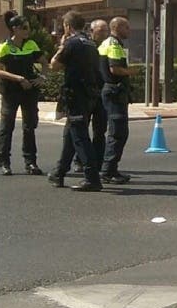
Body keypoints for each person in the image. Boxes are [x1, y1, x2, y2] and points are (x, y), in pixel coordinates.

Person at [47, 10, 104, 191]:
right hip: (90, 94)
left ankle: (92, 177)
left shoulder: (71, 43)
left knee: (79, 136)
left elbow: (54, 66)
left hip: (76, 94)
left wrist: (61, 46)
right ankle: (59, 172)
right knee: (70, 134)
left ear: (67, 26)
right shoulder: (91, 43)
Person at [0, 11, 47, 176]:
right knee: (7, 126)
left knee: (29, 126)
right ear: (15, 29)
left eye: (28, 28)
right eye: (24, 28)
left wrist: (42, 77)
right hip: (11, 92)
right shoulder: (4, 46)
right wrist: (18, 78)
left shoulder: (31, 44)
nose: (27, 31)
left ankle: (30, 162)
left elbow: (45, 62)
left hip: (29, 91)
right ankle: (4, 162)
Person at [72, 18, 110, 175]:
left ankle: (98, 162)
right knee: (81, 129)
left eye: (106, 30)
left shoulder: (108, 46)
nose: (104, 33)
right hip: (87, 93)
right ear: (92, 31)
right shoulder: (86, 45)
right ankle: (79, 160)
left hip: (101, 93)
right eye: (101, 31)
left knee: (100, 131)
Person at [98, 16, 134, 184]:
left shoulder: (106, 43)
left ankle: (110, 169)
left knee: (116, 132)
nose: (129, 30)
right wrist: (130, 72)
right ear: (117, 27)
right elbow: (115, 68)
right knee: (118, 133)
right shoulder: (113, 45)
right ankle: (108, 170)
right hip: (114, 92)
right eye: (126, 27)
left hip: (111, 91)